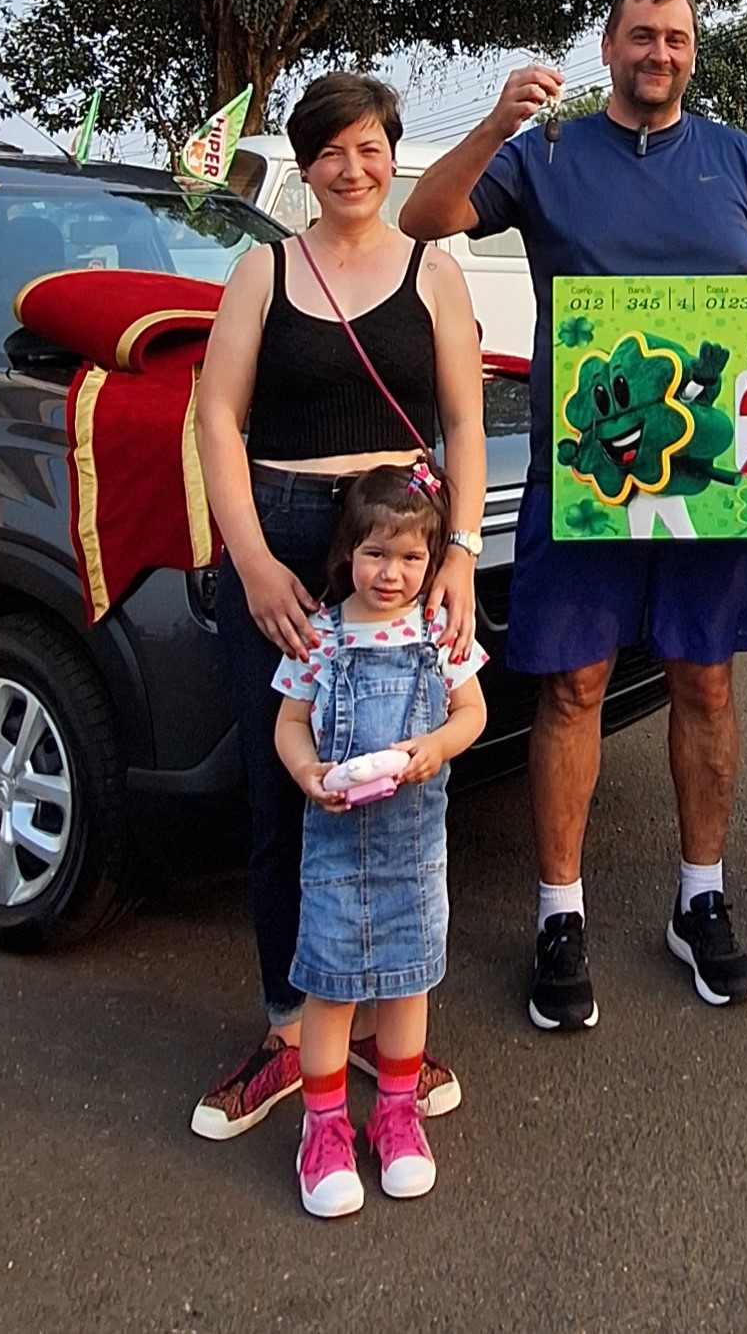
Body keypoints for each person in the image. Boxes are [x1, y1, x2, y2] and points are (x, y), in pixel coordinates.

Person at [400, 0, 747, 1030]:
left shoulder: (736, 157)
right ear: (607, 48)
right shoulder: (546, 153)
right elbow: (427, 222)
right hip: (587, 466)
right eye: (642, 36)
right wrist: (495, 118)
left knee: (703, 682)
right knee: (573, 689)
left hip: (713, 468)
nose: (660, 53)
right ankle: (559, 913)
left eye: (678, 38)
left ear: (693, 54)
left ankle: (700, 897)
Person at [189, 73, 487, 1142]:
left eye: (369, 147)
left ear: (391, 151)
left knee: (403, 791)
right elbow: (216, 420)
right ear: (304, 164)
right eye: (330, 152)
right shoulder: (261, 268)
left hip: (403, 540)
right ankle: (287, 1025)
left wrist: (456, 553)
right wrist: (256, 559)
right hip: (280, 529)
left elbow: (461, 416)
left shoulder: (433, 272)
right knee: (289, 790)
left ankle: (372, 1023)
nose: (352, 169)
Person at [271, 465, 489, 1218]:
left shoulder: (438, 632)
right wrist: (307, 772)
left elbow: (473, 711)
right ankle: (324, 1127)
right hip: (332, 845)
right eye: (375, 554)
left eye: (409, 559)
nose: (390, 573)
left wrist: (437, 746)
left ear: (431, 564)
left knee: (407, 980)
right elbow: (290, 720)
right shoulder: (321, 634)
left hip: (413, 848)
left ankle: (397, 1110)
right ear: (347, 554)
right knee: (330, 988)